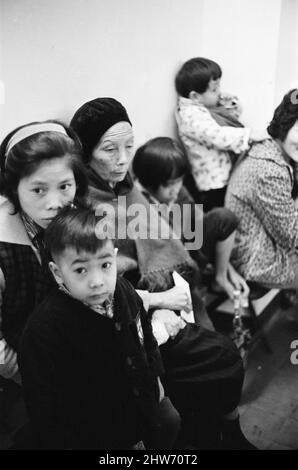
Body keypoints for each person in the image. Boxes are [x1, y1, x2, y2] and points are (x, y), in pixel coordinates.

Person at [70, 97, 256, 449]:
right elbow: (105, 282)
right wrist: (160, 302)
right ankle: (223, 433)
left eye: (128, 145)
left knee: (217, 353)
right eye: (110, 149)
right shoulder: (86, 207)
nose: (123, 159)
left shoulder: (126, 191)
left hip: (172, 291)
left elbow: (173, 239)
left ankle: (222, 430)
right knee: (224, 358)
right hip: (136, 311)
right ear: (85, 154)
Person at [18, 206, 180, 449]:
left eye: (105, 265)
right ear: (58, 273)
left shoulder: (123, 290)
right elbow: (46, 409)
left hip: (142, 404)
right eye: (81, 270)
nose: (97, 282)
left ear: (114, 258)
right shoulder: (43, 332)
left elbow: (144, 336)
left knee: (170, 422)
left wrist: (155, 378)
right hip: (98, 432)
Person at [0, 120, 88, 447]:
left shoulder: (76, 216)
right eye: (38, 190)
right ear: (13, 188)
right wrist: (38, 379)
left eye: (65, 186)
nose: (54, 203)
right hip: (20, 370)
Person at [132, 136, 249, 299]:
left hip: (189, 251)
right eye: (168, 184)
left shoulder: (177, 192)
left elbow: (200, 223)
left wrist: (227, 271)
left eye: (178, 181)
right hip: (167, 267)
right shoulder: (139, 204)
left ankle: (218, 278)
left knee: (223, 218)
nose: (175, 189)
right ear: (150, 182)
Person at [225, 89, 298, 289]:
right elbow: (291, 237)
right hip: (259, 260)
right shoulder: (269, 170)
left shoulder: (270, 148)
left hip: (266, 245)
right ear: (285, 124)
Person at [175, 57, 267, 211]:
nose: (219, 92)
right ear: (194, 96)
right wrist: (249, 135)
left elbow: (228, 117)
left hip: (222, 175)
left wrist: (229, 101)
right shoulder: (189, 115)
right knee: (219, 214)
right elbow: (217, 135)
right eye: (214, 89)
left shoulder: (201, 107)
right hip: (213, 183)